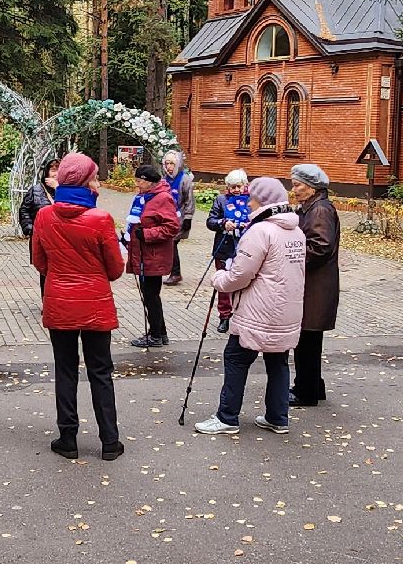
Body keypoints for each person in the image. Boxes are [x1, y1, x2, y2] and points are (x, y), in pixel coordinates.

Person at [29, 152, 126, 461]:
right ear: (84, 182)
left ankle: (68, 438)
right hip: (95, 304)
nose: (98, 183)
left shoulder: (44, 216)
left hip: (59, 303)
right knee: (101, 371)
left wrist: (60, 273)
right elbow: (115, 269)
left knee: (66, 370)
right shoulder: (100, 219)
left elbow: (38, 261)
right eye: (95, 178)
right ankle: (109, 440)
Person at [194, 178, 306, 435]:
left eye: (252, 197)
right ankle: (278, 417)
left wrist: (219, 279)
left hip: (259, 311)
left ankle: (227, 417)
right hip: (287, 310)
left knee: (235, 358)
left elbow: (240, 275)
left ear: (263, 200)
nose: (248, 202)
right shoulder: (296, 231)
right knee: (278, 360)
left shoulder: (260, 231)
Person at [290, 162, 340, 406]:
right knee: (308, 340)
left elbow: (321, 246)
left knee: (307, 340)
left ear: (312, 187)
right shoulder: (312, 207)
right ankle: (312, 386)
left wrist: (293, 261)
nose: (294, 190)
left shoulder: (319, 210)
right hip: (315, 286)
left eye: (297, 185)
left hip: (315, 287)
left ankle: (306, 391)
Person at [124, 162, 180, 347]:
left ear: (149, 181)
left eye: (139, 181)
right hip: (143, 254)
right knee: (150, 295)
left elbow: (172, 227)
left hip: (154, 256)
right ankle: (160, 333)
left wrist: (147, 234)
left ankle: (155, 335)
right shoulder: (144, 197)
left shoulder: (163, 198)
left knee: (151, 296)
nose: (137, 184)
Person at [204, 169, 252, 329]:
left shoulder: (252, 200)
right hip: (224, 247)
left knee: (245, 282)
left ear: (245, 185)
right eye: (232, 187)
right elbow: (210, 221)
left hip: (246, 247)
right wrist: (223, 223)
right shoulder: (221, 200)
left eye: (239, 186)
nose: (236, 190)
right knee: (224, 282)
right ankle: (224, 315)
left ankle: (242, 314)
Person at [162, 150, 193, 284]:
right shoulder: (164, 179)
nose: (169, 167)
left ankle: (175, 273)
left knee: (172, 243)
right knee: (168, 244)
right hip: (165, 217)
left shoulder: (184, 179)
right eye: (167, 163)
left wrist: (188, 217)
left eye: (172, 164)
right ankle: (172, 271)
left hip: (179, 217)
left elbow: (189, 200)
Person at [18, 159, 58, 238]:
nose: (57, 174)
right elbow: (24, 210)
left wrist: (58, 188)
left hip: (60, 237)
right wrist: (30, 229)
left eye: (59, 170)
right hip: (40, 237)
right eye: (53, 170)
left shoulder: (68, 190)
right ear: (47, 172)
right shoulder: (36, 190)